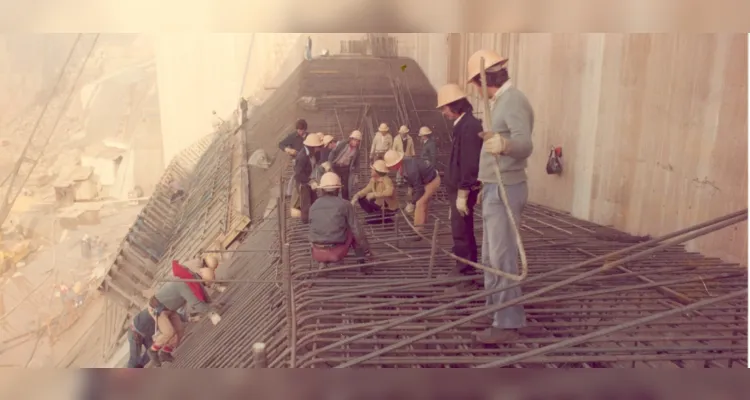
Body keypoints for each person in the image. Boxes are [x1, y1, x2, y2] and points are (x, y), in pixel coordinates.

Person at [467, 49, 534, 344]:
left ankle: (507, 323)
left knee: (503, 257)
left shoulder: (514, 100)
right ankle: (495, 310)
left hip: (507, 187)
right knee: (490, 256)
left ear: (482, 81)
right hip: (495, 187)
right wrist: (485, 185)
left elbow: (525, 145)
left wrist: (504, 144)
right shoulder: (499, 103)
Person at [435, 83, 485, 294]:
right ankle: (465, 269)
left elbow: (469, 162)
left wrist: (464, 192)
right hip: (457, 189)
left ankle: (465, 274)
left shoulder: (470, 126)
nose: (444, 112)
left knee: (462, 231)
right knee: (461, 229)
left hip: (462, 189)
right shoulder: (462, 125)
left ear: (454, 105)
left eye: (445, 107)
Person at [146, 260, 217, 367]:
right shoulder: (185, 285)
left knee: (179, 330)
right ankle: (152, 350)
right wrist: (211, 312)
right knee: (169, 332)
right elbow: (195, 303)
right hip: (158, 309)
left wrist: (213, 305)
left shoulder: (190, 280)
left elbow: (200, 297)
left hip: (169, 309)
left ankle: (165, 352)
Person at [309, 172, 373, 274]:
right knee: (354, 230)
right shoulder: (345, 205)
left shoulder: (313, 206)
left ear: (321, 189)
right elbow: (358, 232)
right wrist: (367, 250)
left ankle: (323, 263)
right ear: (338, 189)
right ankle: (362, 264)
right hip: (337, 252)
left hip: (317, 252)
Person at [383, 149, 440, 237]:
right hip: (425, 180)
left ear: (395, 164)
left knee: (420, 203)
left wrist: (412, 203)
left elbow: (419, 189)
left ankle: (418, 231)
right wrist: (410, 190)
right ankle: (423, 224)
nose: (390, 168)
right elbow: (412, 180)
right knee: (422, 203)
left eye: (390, 166)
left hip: (432, 180)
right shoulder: (403, 165)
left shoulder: (410, 169)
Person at [350, 159, 398, 224]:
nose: (370, 170)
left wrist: (374, 194)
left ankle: (387, 219)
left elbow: (389, 192)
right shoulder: (373, 180)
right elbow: (366, 190)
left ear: (377, 172)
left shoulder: (387, 180)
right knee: (361, 198)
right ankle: (375, 215)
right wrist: (356, 196)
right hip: (379, 205)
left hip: (388, 209)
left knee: (368, 219)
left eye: (372, 169)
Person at [292, 133, 324, 222]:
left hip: (309, 179)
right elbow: (298, 174)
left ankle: (315, 218)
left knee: (314, 199)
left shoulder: (312, 154)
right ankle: (306, 221)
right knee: (306, 203)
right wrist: (309, 181)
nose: (318, 149)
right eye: (317, 147)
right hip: (303, 182)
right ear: (312, 146)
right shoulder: (302, 157)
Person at [279, 119, 309, 199]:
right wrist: (288, 149)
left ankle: (306, 190)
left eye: (301, 130)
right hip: (296, 160)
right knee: (296, 175)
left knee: (306, 175)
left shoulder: (309, 136)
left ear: (305, 129)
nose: (299, 132)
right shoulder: (293, 136)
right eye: (298, 130)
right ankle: (291, 193)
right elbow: (281, 144)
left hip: (307, 160)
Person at [328, 130, 362, 200]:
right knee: (335, 184)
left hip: (345, 168)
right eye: (355, 140)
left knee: (345, 187)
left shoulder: (357, 151)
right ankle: (334, 200)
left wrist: (356, 174)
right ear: (351, 139)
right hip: (336, 166)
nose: (356, 142)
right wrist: (330, 163)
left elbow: (357, 163)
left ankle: (345, 201)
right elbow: (333, 152)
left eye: (358, 141)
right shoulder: (343, 144)